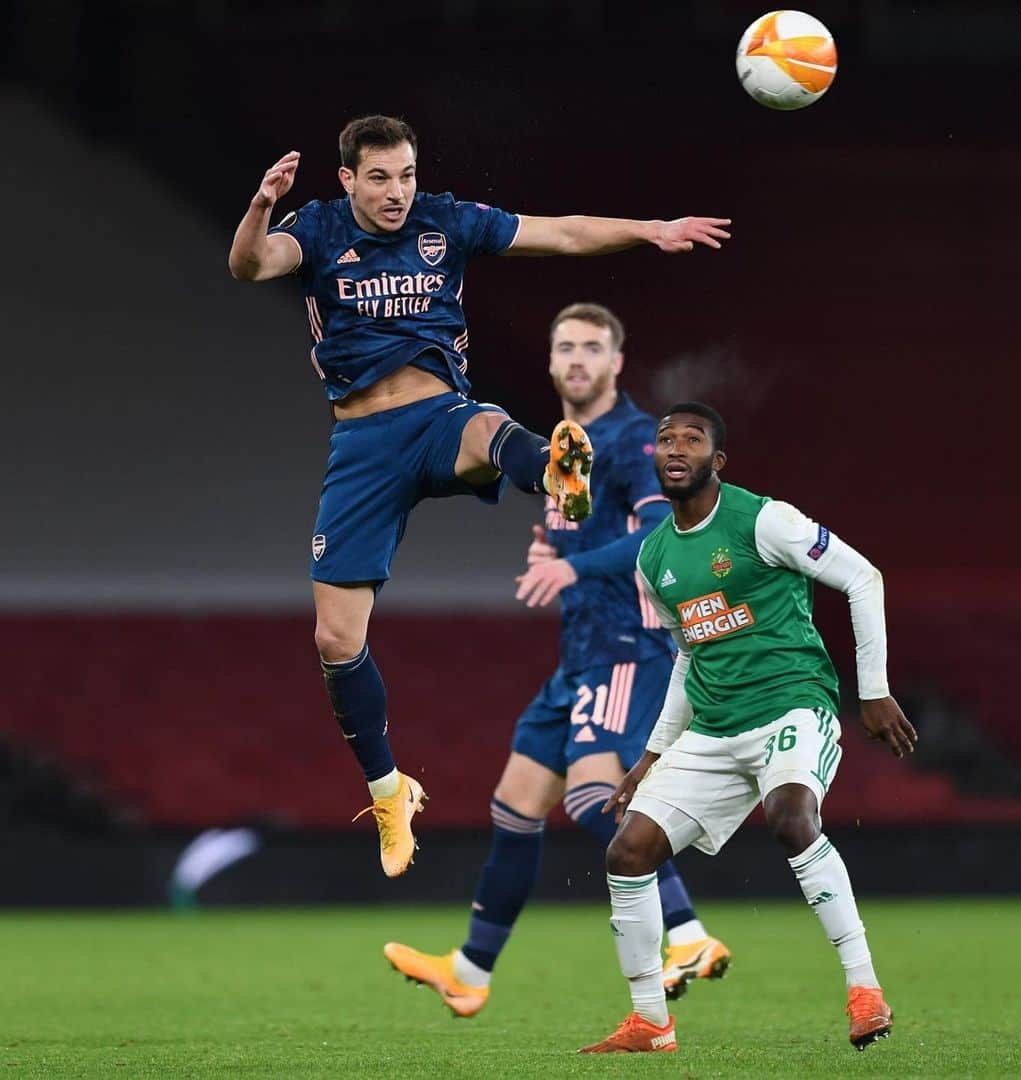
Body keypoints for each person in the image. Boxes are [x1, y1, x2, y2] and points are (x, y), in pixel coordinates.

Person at [227, 116, 732, 878]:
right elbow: (250, 265)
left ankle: (554, 464)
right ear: (347, 180)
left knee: (485, 428)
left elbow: (560, 234)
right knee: (336, 640)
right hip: (363, 446)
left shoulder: (446, 220)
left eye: (406, 175)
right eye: (380, 179)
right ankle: (390, 789)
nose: (398, 193)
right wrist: (263, 204)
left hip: (438, 416)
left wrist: (651, 229)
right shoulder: (319, 229)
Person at [383, 305, 730, 1014]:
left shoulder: (637, 441)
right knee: (515, 806)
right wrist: (556, 551)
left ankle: (688, 933)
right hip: (577, 657)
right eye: (565, 346)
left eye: (591, 347)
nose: (576, 358)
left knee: (591, 799)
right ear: (549, 361)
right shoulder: (559, 449)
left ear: (616, 362)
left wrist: (572, 569)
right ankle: (470, 973)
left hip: (625, 649)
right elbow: (576, 534)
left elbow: (655, 541)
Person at [578, 402, 918, 1054]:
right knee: (626, 853)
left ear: (717, 459)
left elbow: (862, 578)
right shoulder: (654, 559)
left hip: (791, 705)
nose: (675, 448)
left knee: (792, 818)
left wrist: (871, 693)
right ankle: (651, 1022)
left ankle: (864, 989)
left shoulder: (767, 520)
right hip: (712, 725)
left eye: (692, 439)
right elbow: (688, 654)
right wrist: (653, 754)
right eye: (665, 439)